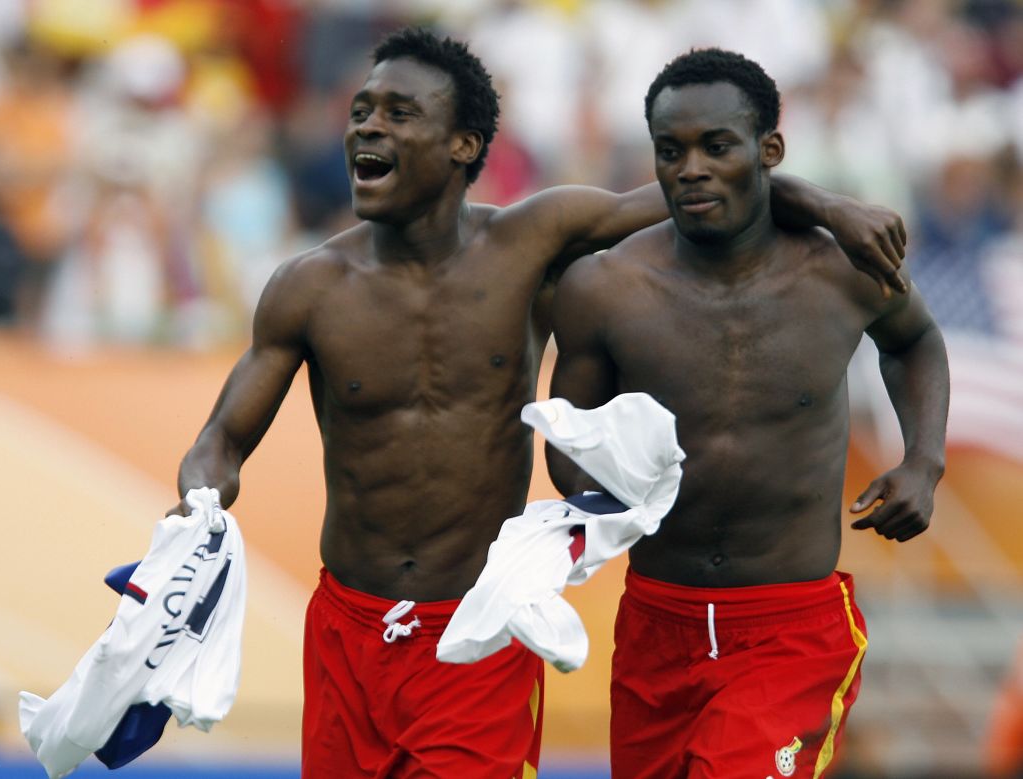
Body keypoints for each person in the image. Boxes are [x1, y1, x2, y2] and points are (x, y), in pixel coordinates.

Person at [171, 29, 909, 778]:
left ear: (462, 145)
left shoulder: (532, 239)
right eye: (362, 110)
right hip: (346, 632)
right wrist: (197, 501)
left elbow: (699, 184)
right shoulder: (307, 286)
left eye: (398, 113)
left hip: (479, 632)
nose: (367, 125)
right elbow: (223, 439)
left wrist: (823, 204)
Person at [546, 48, 950, 779]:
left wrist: (923, 459)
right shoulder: (604, 287)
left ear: (770, 152)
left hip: (788, 629)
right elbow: (568, 438)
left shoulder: (841, 271)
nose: (691, 168)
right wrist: (596, 495)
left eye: (716, 146)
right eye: (671, 151)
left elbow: (916, 339)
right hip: (654, 623)